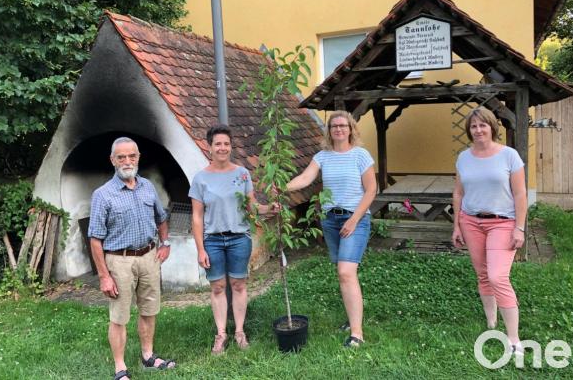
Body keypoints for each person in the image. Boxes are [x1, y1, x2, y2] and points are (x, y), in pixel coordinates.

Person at [284, 111, 377, 348]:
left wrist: (354, 220)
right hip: (330, 220)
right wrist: (280, 188)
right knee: (343, 272)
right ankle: (352, 319)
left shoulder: (360, 155)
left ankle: (357, 333)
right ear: (329, 131)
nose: (338, 129)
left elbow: (371, 190)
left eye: (342, 125)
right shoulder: (322, 156)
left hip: (354, 219)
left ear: (351, 128)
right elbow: (305, 179)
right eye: (334, 126)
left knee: (346, 272)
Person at [88, 137, 177, 379]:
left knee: (149, 310)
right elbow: (95, 239)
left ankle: (148, 356)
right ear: (112, 160)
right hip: (119, 261)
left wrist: (165, 243)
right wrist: (104, 276)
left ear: (138, 157)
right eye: (121, 157)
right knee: (119, 317)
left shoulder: (147, 186)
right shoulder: (103, 195)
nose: (127, 161)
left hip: (149, 257)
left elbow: (161, 217)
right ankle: (120, 368)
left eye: (132, 156)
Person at [189, 124, 277, 355]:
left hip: (239, 238)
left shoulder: (242, 174)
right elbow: (197, 217)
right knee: (218, 287)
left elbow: (251, 207)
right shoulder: (200, 179)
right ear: (209, 147)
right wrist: (200, 249)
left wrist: (269, 208)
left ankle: (239, 331)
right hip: (213, 240)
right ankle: (221, 334)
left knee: (238, 284)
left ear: (231, 147)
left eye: (226, 144)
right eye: (218, 143)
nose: (222, 148)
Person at [450, 107, 528, 357]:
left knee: (497, 277)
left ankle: (513, 338)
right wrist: (456, 226)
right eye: (473, 126)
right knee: (483, 275)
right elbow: (459, 193)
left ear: (492, 127)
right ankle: (491, 323)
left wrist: (520, 227)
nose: (478, 130)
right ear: (469, 131)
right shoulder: (464, 157)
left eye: (483, 125)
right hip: (471, 221)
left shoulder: (509, 156)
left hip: (502, 222)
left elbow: (520, 194)